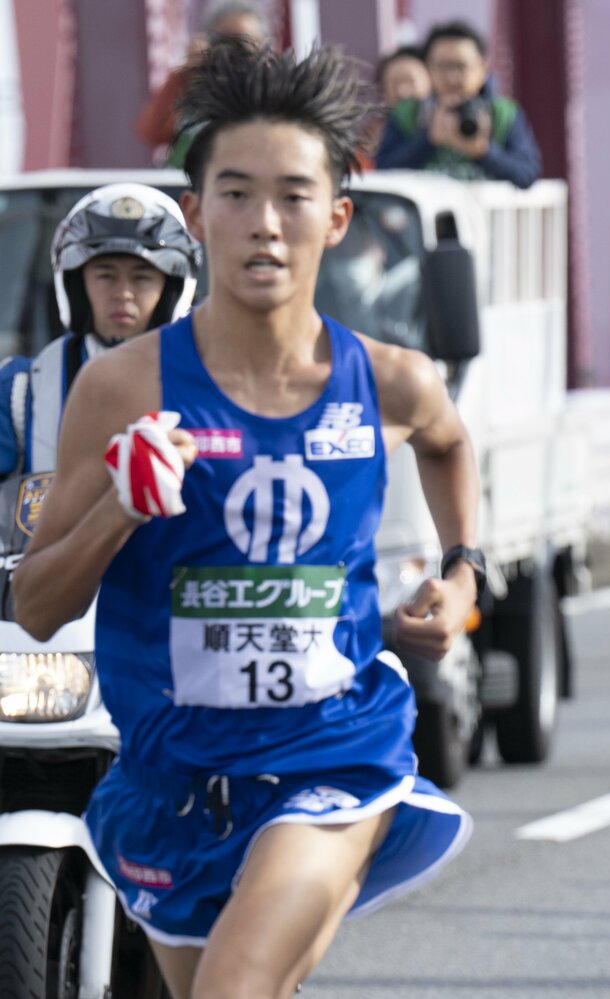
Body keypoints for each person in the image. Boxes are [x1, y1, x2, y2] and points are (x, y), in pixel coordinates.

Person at [15, 39, 479, 997]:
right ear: (195, 215)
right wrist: (119, 507)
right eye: (236, 193)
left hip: (332, 759)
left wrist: (464, 566)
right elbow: (37, 605)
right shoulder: (120, 388)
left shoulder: (389, 378)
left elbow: (447, 440)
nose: (265, 223)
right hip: (170, 780)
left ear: (336, 216)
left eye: (293, 195)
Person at [0, 183, 201, 479]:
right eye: (105, 275)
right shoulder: (20, 391)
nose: (123, 293)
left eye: (142, 277)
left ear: (170, 288)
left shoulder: (210, 384)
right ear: (77, 285)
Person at [375, 20, 541, 186]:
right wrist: (428, 140)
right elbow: (383, 171)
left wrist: (483, 152)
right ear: (428, 68)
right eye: (443, 66)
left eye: (460, 66)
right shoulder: (407, 114)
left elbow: (527, 174)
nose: (451, 77)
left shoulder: (504, 113)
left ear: (483, 68)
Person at [135, 0, 271, 167]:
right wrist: (186, 74)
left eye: (244, 43)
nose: (234, 53)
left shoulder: (273, 88)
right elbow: (150, 132)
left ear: (264, 45)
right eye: (226, 42)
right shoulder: (192, 82)